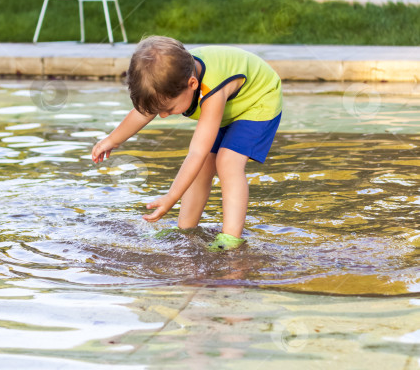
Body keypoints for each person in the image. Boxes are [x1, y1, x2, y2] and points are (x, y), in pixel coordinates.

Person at [91, 36, 282, 251]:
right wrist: (112, 140)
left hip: (258, 100)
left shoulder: (211, 88)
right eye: (158, 111)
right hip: (230, 104)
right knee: (201, 169)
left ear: (192, 84)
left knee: (227, 162)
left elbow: (196, 152)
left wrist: (171, 196)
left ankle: (230, 239)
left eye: (169, 109)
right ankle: (185, 230)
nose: (163, 116)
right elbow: (143, 113)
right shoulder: (176, 78)